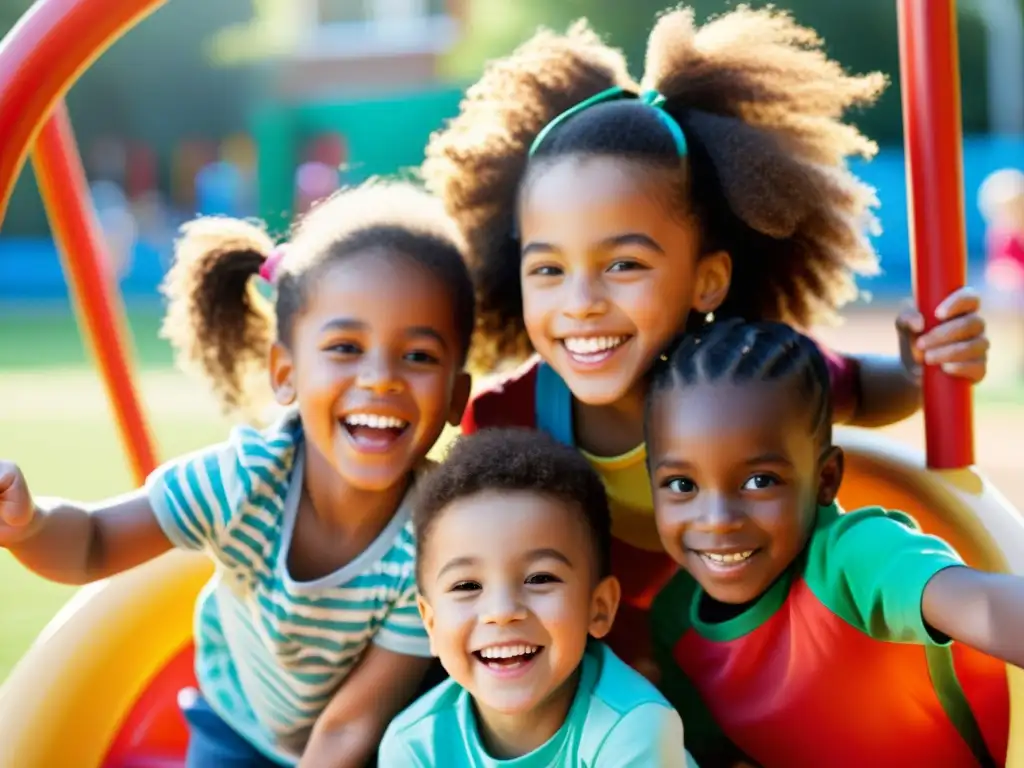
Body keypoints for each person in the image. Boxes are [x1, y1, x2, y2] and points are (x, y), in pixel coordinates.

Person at [420, 6, 990, 671]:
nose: (581, 303)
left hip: (763, 685)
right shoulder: (503, 426)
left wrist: (922, 367)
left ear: (708, 280)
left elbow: (864, 390)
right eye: (548, 269)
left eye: (624, 265)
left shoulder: (748, 382)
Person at [0, 181, 475, 768]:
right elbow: (94, 543)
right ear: (285, 373)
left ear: (458, 395)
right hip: (234, 727)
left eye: (419, 356)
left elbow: (351, 728)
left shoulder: (435, 537)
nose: (381, 378)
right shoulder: (241, 483)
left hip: (369, 743)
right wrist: (27, 525)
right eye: (346, 347)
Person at [645, 318, 1018, 768]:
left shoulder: (854, 558)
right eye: (682, 484)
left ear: (825, 480)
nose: (718, 520)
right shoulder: (674, 617)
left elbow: (983, 605)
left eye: (760, 481)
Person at [380, 428, 692, 766]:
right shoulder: (413, 747)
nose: (501, 612)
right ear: (431, 623)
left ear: (598, 608)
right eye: (467, 586)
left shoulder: (633, 729)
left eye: (540, 578)